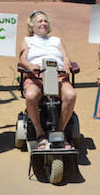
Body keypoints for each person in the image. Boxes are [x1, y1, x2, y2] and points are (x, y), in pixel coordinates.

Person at [19, 11, 76, 149]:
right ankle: (40, 133)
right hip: (36, 76)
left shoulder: (55, 40)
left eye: (45, 21)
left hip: (58, 75)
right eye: (39, 21)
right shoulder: (28, 40)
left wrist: (67, 65)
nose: (43, 24)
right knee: (31, 96)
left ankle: (60, 132)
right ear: (32, 25)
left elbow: (65, 57)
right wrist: (30, 66)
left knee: (70, 95)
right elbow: (22, 59)